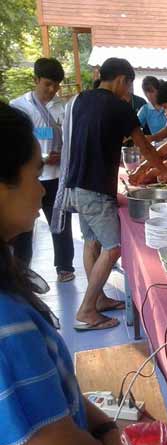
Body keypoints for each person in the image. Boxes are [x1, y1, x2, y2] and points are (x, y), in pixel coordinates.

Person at [0, 102, 125, 445]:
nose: (42, 189)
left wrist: (104, 425)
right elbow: (51, 441)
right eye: (34, 174)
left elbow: (49, 387)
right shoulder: (7, 322)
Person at [65, 57, 167, 331]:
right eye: (129, 85)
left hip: (77, 183)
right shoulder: (119, 107)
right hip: (97, 189)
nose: (129, 91)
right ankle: (87, 310)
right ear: (123, 80)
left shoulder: (81, 100)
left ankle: (98, 299)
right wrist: (165, 172)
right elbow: (144, 147)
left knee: (92, 242)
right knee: (113, 248)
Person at [10, 57, 76, 282]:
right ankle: (21, 271)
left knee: (60, 222)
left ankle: (65, 267)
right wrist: (42, 159)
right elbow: (16, 143)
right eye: (47, 84)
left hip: (57, 176)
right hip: (29, 177)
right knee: (24, 226)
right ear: (36, 79)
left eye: (56, 85)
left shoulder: (63, 106)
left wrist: (64, 155)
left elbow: (70, 138)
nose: (52, 89)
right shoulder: (19, 107)